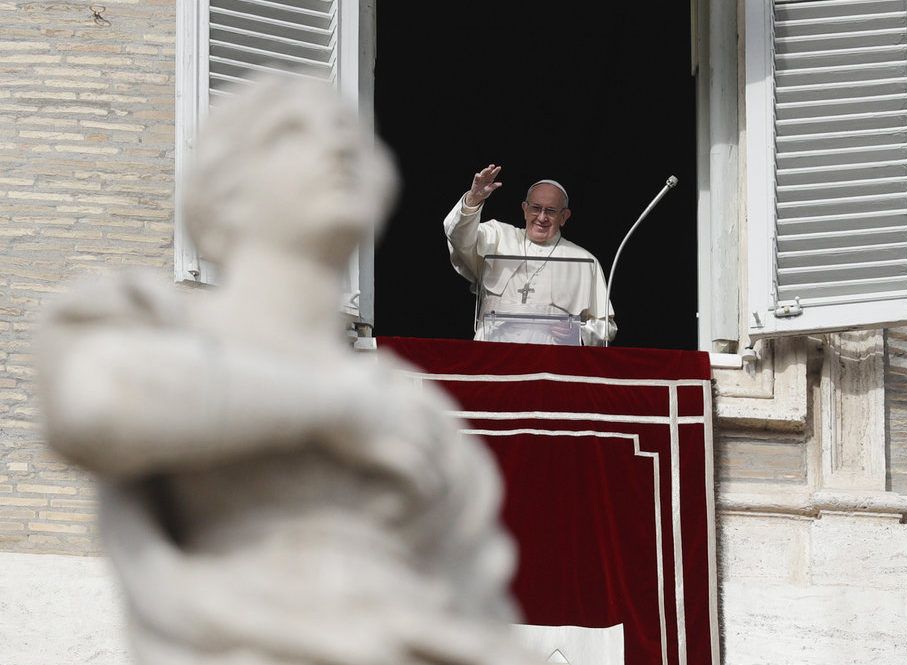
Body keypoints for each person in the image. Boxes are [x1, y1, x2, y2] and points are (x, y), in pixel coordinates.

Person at [36, 78, 538, 665]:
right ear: (224, 190)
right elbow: (96, 403)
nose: (338, 148)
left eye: (347, 135)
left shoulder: (419, 410)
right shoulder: (147, 321)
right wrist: (337, 406)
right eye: (290, 132)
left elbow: (479, 602)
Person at [444, 164, 616, 346]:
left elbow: (606, 328)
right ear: (525, 209)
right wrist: (473, 199)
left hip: (551, 364)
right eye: (536, 208)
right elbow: (457, 236)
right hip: (493, 358)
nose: (542, 217)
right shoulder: (497, 237)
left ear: (564, 216)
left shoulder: (585, 261)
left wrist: (580, 331)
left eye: (550, 211)